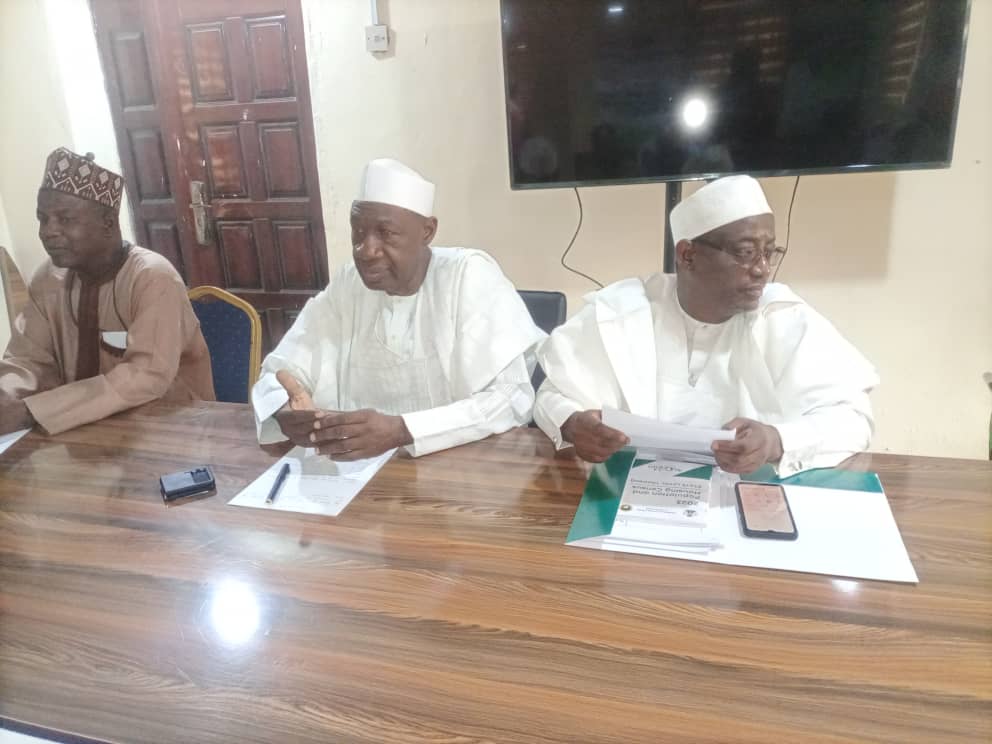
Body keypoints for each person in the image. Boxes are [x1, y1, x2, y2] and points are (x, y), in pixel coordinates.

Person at [534, 175, 878, 476]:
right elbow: (552, 394)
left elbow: (853, 419)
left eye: (769, 252)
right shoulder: (624, 310)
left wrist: (775, 440)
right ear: (687, 255)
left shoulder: (784, 318)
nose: (762, 269)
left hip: (747, 498)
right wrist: (572, 424)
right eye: (746, 252)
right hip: (630, 495)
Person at [252, 158, 545, 459]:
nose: (366, 250)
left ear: (427, 231)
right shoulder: (348, 285)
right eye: (358, 231)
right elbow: (283, 370)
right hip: (355, 469)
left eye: (386, 233)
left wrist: (403, 430)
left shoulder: (467, 276)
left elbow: (510, 397)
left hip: (461, 468)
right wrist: (284, 410)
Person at [0, 148, 215, 436]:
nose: (47, 231)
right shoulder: (49, 278)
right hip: (77, 429)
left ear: (108, 223)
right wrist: (7, 394)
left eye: (65, 219)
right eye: (43, 218)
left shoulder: (152, 277)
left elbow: (144, 376)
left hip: (170, 429)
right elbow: (28, 359)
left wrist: (32, 411)